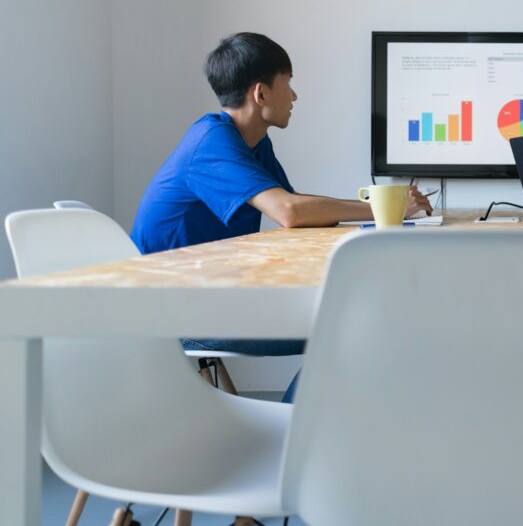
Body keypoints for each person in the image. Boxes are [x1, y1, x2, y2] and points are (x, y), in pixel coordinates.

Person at [131, 32, 432, 402]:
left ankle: (302, 429)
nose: (294, 96)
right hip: (181, 313)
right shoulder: (211, 142)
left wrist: (388, 205)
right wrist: (386, 210)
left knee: (360, 317)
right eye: (288, 85)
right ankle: (293, 435)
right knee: (355, 325)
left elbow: (295, 206)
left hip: (210, 297)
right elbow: (289, 212)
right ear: (261, 93)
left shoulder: (253, 143)